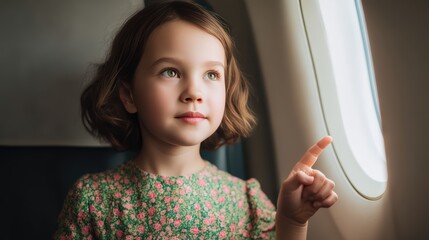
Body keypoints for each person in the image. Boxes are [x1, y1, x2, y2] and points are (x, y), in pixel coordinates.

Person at [55, 1, 337, 239]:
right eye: (170, 72)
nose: (194, 92)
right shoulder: (92, 201)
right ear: (129, 95)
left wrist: (292, 221)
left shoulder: (246, 201)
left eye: (211, 75)